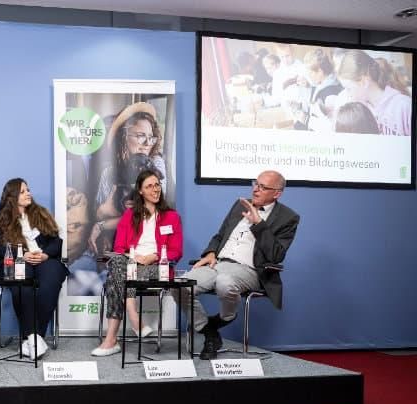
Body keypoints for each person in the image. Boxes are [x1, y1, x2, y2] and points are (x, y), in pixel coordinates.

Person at [176, 170, 299, 360]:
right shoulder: (239, 205)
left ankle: (225, 317)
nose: (256, 189)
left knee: (225, 282)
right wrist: (210, 252)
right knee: (179, 285)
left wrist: (258, 223)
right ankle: (209, 331)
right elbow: (220, 236)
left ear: (277, 193)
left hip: (249, 270)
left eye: (263, 187)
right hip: (218, 264)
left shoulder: (288, 217)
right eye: (255, 183)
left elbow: (276, 255)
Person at [92, 170, 182, 357]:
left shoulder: (171, 216)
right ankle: (134, 318)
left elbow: (176, 251)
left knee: (114, 280)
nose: (155, 189)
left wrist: (153, 256)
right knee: (119, 263)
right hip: (131, 263)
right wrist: (134, 257)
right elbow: (119, 248)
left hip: (158, 267)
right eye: (149, 186)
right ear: (140, 191)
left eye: (157, 185)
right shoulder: (130, 215)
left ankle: (111, 340)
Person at [0, 178, 68, 358]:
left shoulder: (40, 213)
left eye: (28, 190)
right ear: (12, 196)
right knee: (22, 283)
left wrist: (45, 254)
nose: (28, 194)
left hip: (44, 259)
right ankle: (34, 338)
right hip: (18, 260)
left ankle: (33, 339)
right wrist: (22, 254)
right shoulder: (0, 219)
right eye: (23, 191)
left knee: (51, 279)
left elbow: (56, 242)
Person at [89, 102, 167, 255]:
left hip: (147, 247)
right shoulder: (109, 172)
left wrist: (103, 224)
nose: (147, 144)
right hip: (115, 246)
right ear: (123, 137)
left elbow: (147, 215)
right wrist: (104, 212)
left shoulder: (156, 164)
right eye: (140, 136)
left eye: (151, 137)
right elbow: (98, 213)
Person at [337, 50, 412, 136]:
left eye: (348, 88)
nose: (347, 93)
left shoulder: (404, 106)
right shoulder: (360, 111)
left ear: (364, 82)